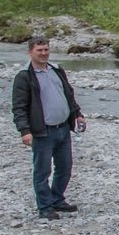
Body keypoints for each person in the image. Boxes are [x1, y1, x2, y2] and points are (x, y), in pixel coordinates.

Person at [11, 37, 86, 220]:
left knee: (65, 167)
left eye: (46, 49)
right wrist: (25, 131)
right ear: (30, 52)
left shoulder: (56, 70)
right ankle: (44, 206)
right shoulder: (24, 76)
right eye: (40, 50)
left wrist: (77, 113)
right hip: (42, 131)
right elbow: (19, 107)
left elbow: (68, 94)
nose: (44, 53)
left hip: (63, 128)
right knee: (43, 171)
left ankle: (57, 198)